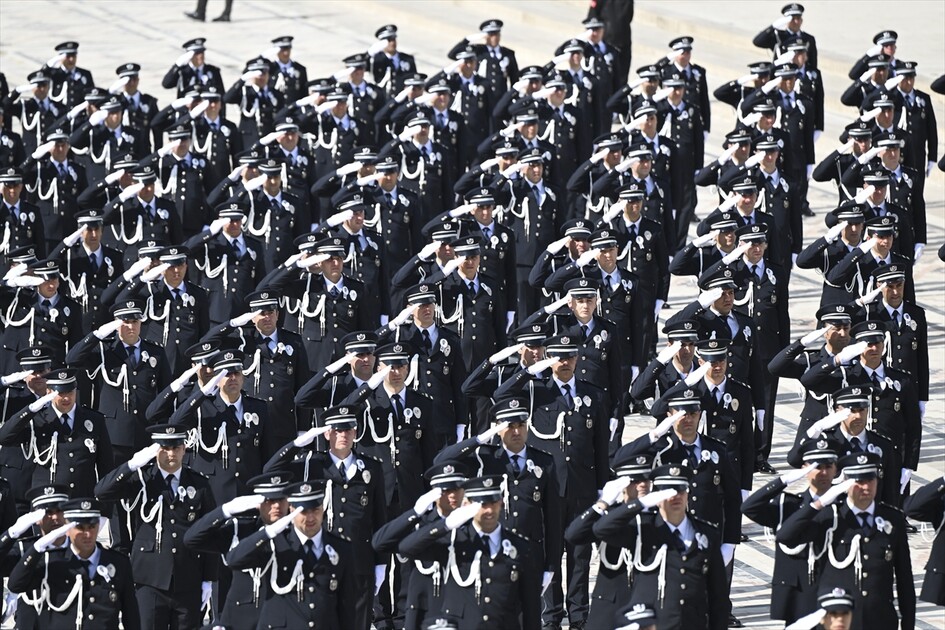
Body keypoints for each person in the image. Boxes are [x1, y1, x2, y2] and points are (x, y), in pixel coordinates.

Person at [95, 425, 217, 630]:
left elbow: (210, 532)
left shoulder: (199, 484)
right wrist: (131, 465)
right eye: (164, 448)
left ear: (184, 448)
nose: (171, 453)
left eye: (176, 447)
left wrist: (209, 579)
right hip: (149, 579)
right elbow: (101, 491)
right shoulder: (142, 479)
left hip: (187, 577)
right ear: (155, 449)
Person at [776, 452, 915, 630]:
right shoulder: (830, 517)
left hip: (880, 620)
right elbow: (786, 536)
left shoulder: (892, 519)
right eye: (858, 482)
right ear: (845, 484)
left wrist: (908, 624)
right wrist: (817, 505)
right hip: (837, 621)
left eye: (870, 480)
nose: (865, 487)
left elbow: (904, 579)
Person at [592, 464, 729, 629]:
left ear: (687, 494)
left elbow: (718, 596)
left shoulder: (707, 533)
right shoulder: (646, 529)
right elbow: (601, 529)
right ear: (657, 498)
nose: (675, 497)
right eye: (668, 493)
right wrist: (638, 505)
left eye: (680, 491)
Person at [398, 475, 540, 629]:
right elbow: (406, 548)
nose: (489, 510)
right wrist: (444, 525)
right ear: (468, 505)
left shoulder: (519, 547)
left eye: (493, 502)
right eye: (482, 504)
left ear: (501, 502)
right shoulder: (454, 541)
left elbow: (531, 607)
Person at [225, 479, 359, 629]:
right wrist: (268, 533)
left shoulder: (340, 548)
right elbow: (234, 560)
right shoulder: (277, 544)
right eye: (303, 511)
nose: (310, 518)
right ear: (291, 509)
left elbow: (347, 607)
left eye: (315, 510)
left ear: (323, 509)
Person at [7, 498, 139, 630]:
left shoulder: (118, 563)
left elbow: (131, 617)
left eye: (92, 526)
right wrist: (36, 548)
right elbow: (15, 585)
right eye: (80, 527)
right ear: (67, 529)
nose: (87, 534)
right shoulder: (53, 561)